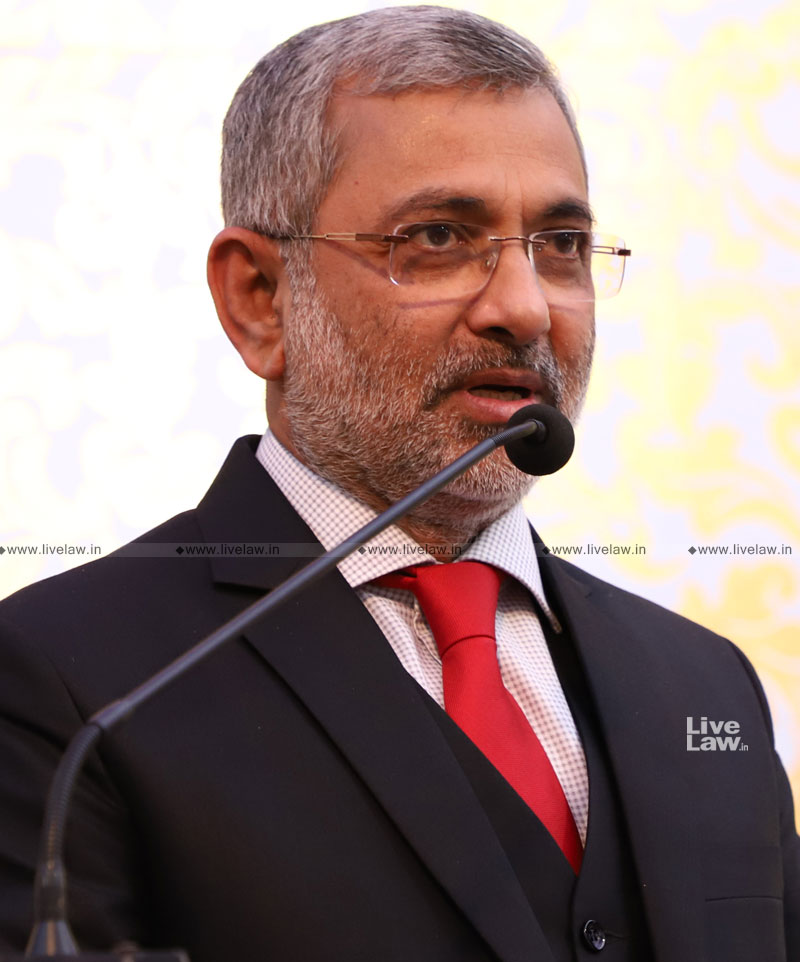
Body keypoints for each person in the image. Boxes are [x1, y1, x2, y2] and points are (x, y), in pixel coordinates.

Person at [0, 7, 797, 962]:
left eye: (560, 245)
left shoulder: (705, 684)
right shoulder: (71, 686)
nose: (524, 308)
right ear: (260, 299)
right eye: (438, 237)